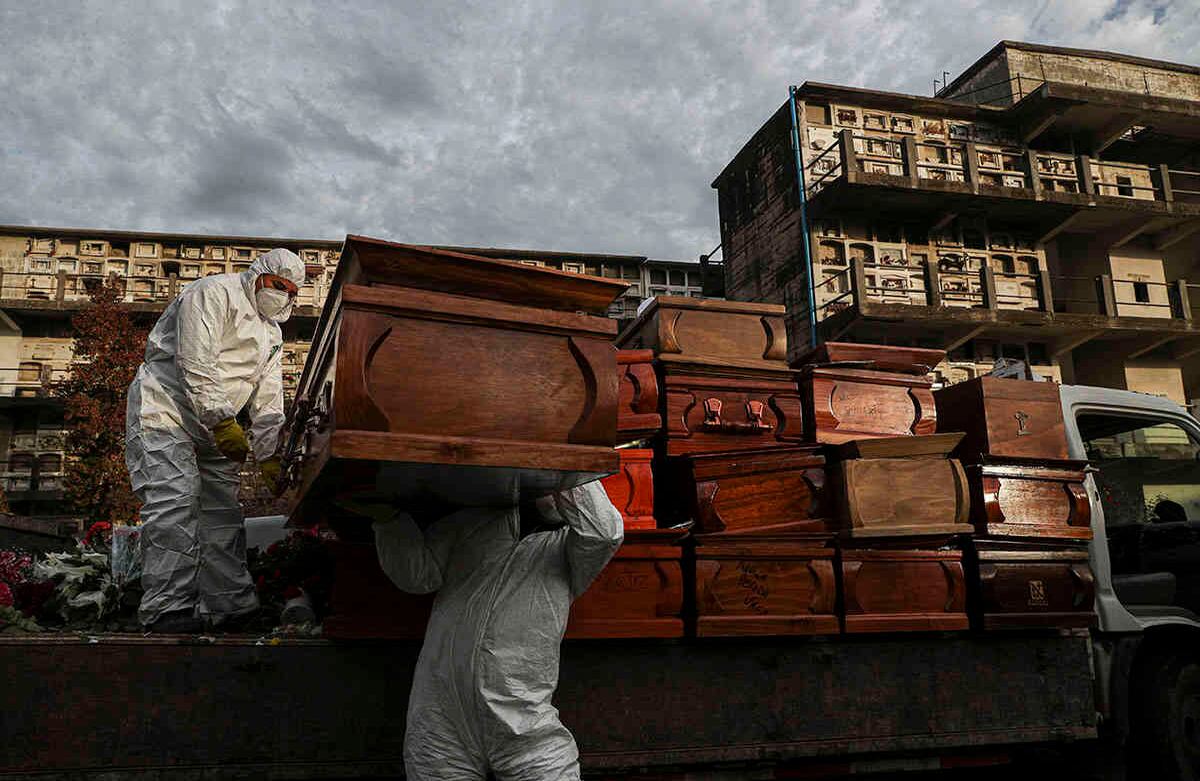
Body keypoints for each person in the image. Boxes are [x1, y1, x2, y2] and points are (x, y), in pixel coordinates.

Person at [357, 479, 622, 780]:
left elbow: (605, 533)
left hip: (522, 719)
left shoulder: (570, 548)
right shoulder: (472, 522)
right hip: (442, 717)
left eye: (557, 483)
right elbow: (418, 575)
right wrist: (389, 522)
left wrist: (570, 467)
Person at [126, 247, 305, 633]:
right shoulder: (212, 292)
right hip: (167, 405)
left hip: (218, 421)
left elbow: (269, 399)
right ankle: (167, 609)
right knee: (175, 496)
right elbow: (196, 360)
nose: (284, 296)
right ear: (258, 275)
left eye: (292, 292)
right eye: (278, 285)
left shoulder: (272, 334)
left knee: (223, 510)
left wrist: (270, 453)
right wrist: (222, 421)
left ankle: (232, 605)